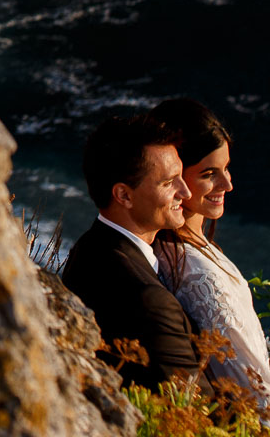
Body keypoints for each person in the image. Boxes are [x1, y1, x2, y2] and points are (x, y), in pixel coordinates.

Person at [148, 98, 270, 437]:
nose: (227, 185)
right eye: (208, 174)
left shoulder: (188, 248)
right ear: (173, 176)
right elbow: (251, 381)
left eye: (226, 169)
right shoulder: (197, 274)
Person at [61, 112, 202, 390]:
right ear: (124, 195)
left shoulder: (89, 248)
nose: (185, 192)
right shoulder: (148, 299)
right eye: (168, 182)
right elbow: (196, 407)